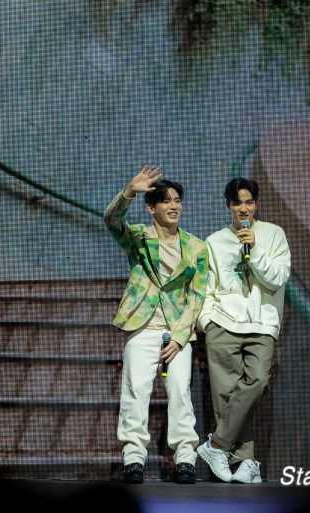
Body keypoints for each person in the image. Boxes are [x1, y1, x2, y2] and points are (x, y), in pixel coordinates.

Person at [104, 165, 209, 485]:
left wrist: (180, 336)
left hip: (177, 332)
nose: (174, 206)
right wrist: (129, 192)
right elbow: (111, 220)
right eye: (166, 201)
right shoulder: (138, 237)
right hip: (142, 326)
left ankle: (185, 459)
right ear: (152, 208)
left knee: (180, 393)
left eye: (177, 200)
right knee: (135, 392)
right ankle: (133, 458)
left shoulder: (197, 247)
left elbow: (197, 295)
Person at [195, 176, 291, 484]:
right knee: (225, 396)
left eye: (249, 202)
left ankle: (216, 445)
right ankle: (247, 462)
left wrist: (255, 250)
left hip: (262, 323)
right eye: (237, 203)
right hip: (222, 322)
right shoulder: (214, 241)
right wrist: (206, 321)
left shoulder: (273, 234)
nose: (243, 208)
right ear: (228, 205)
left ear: (256, 204)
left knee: (257, 383)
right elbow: (208, 287)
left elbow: (278, 278)